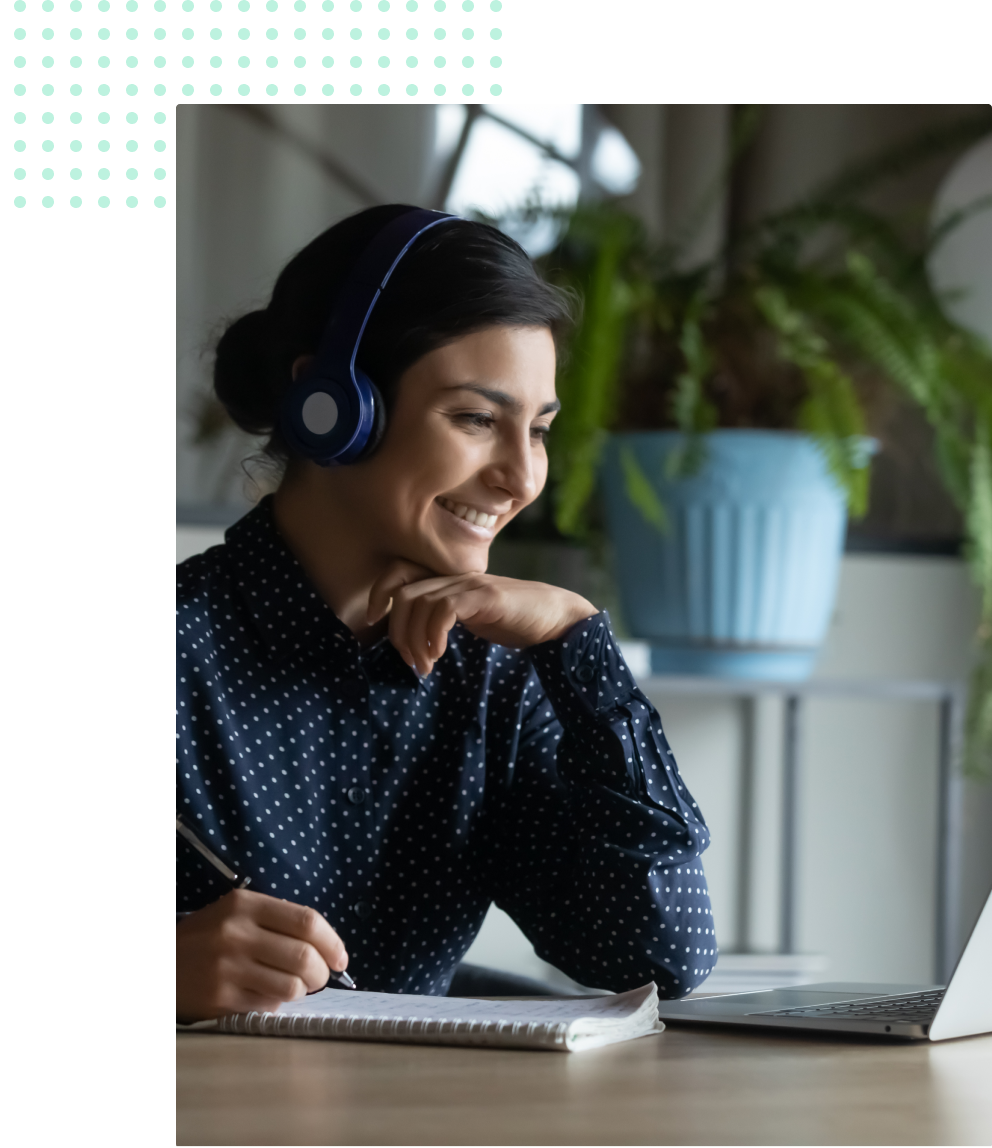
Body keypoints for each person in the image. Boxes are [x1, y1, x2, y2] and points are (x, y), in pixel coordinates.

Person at [176, 204, 716, 1024]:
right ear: (332, 405)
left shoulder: (493, 678)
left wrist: (578, 640)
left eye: (537, 431)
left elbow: (662, 953)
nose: (521, 477)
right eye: (476, 419)